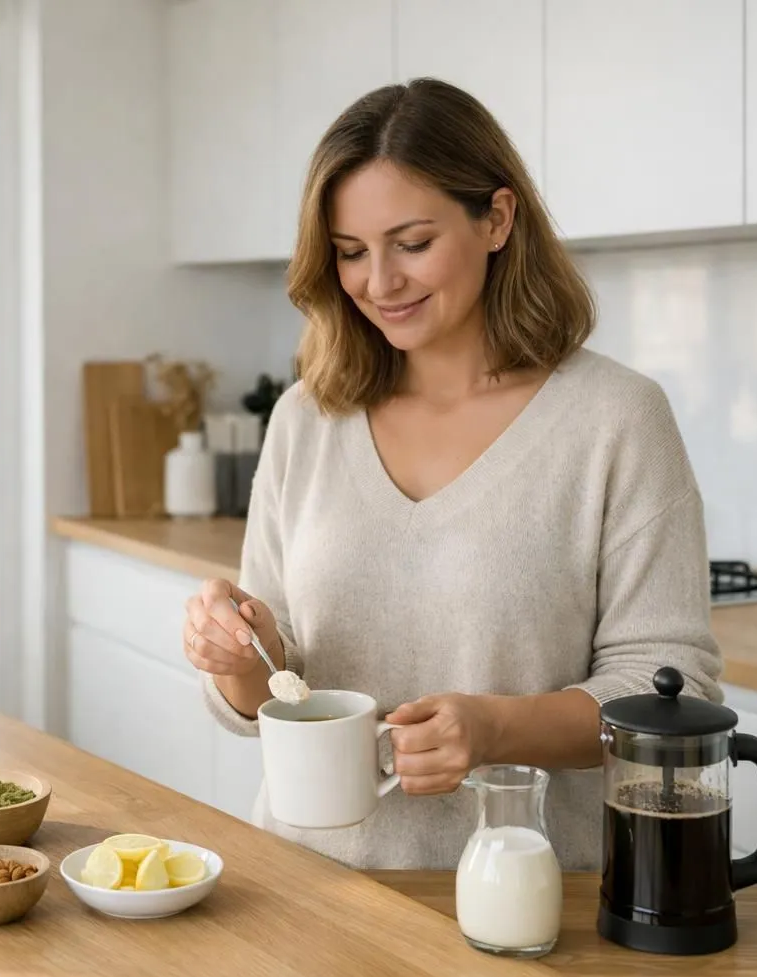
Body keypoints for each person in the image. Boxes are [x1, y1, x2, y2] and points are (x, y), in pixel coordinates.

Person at [181, 78, 722, 872]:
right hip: (311, 890)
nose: (378, 282)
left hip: (528, 894)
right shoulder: (307, 416)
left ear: (497, 219)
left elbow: (671, 692)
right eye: (351, 252)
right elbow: (275, 691)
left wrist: (495, 731)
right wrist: (241, 660)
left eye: (412, 242)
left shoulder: (616, 418)